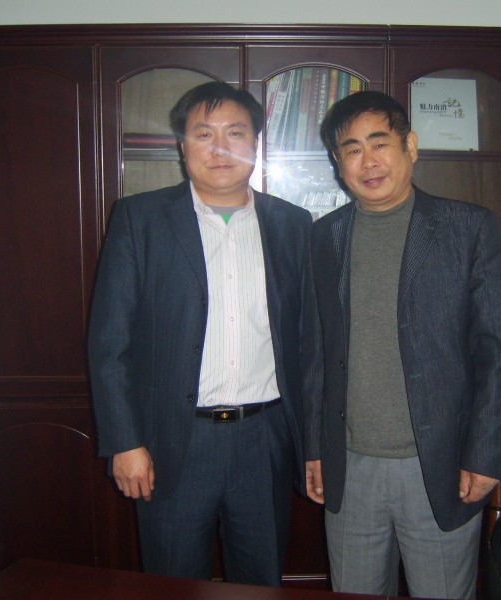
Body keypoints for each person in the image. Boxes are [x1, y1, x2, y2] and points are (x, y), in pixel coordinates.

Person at [87, 81, 316, 586]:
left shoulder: (293, 225)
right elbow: (109, 345)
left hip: (264, 440)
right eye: (204, 134)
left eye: (235, 133)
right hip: (172, 440)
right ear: (182, 145)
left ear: (254, 143)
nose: (220, 148)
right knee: (172, 580)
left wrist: (312, 443)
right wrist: (124, 442)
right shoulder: (140, 220)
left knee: (260, 581)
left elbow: (309, 345)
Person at [304, 90, 501, 599]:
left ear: (410, 146)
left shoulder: (468, 228)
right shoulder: (323, 237)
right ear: (337, 162)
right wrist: (314, 448)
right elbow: (314, 353)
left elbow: (496, 351)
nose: (368, 161)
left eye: (380, 143)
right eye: (352, 149)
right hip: (350, 465)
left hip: (441, 465)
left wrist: (486, 454)